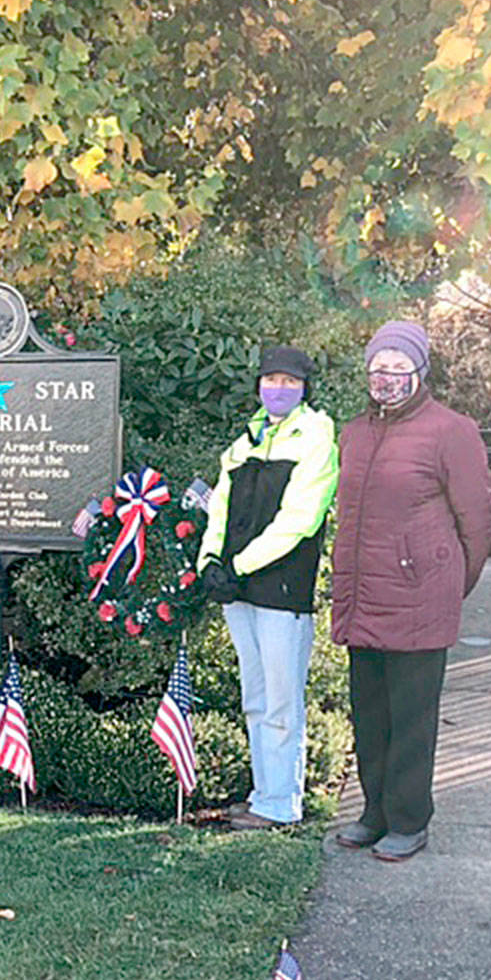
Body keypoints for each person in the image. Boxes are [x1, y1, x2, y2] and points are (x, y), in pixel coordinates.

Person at [331, 321, 491, 861]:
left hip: (419, 601)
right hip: (364, 599)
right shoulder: (354, 433)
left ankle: (408, 820)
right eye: (379, 367)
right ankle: (374, 813)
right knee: (370, 716)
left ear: (420, 372)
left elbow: (477, 522)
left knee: (412, 721)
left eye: (400, 367)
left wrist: (446, 584)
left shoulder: (451, 431)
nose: (388, 377)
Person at [198, 346, 339, 830]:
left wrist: (237, 566)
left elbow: (300, 520)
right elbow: (220, 507)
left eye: (289, 381)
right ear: (258, 385)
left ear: (305, 388)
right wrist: (209, 561)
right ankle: (264, 795)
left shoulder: (317, 437)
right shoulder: (245, 440)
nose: (279, 389)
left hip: (281, 589)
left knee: (281, 702)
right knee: (255, 698)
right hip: (237, 589)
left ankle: (282, 805)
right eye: (271, 380)